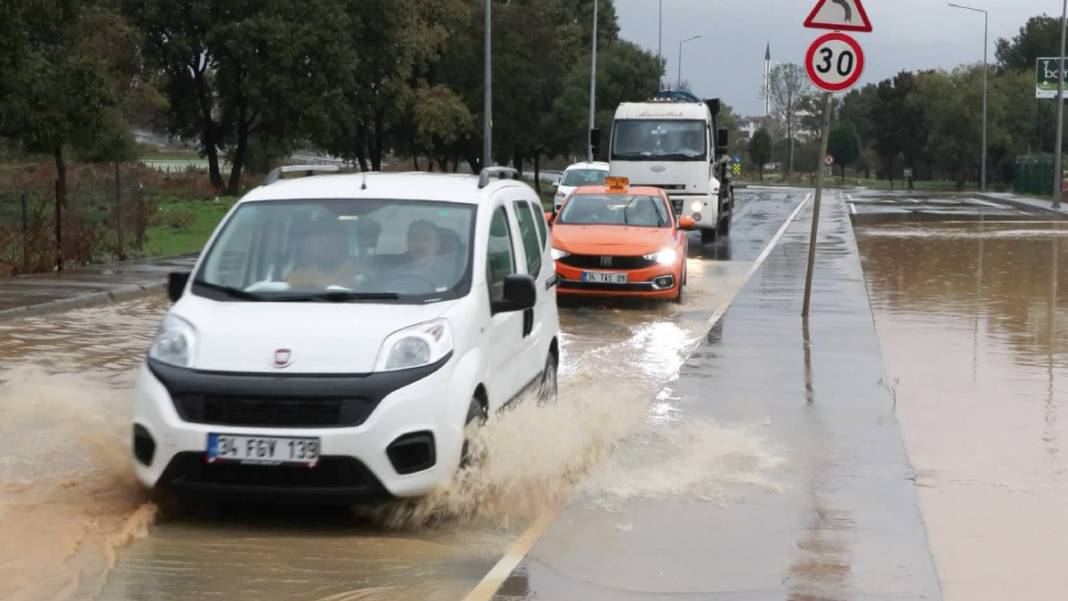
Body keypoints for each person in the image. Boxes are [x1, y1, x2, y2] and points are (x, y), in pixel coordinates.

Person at [286, 219, 360, 289]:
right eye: (320, 238)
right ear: (311, 246)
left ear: (342, 242)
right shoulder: (298, 277)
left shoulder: (357, 272)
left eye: (332, 237)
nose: (326, 242)